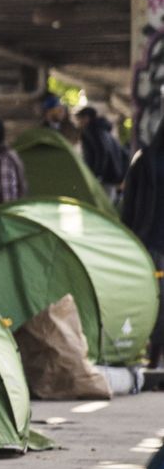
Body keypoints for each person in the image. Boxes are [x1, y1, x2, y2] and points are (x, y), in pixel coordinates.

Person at [119, 129, 164, 369]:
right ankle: (152, 359)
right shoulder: (145, 160)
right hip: (151, 240)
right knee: (156, 301)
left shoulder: (145, 158)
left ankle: (154, 360)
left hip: (151, 239)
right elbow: (130, 202)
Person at [77, 106, 128, 199]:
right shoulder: (104, 131)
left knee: (101, 206)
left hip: (103, 177)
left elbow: (101, 152)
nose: (79, 122)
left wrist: (97, 175)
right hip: (113, 176)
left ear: (87, 118)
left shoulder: (91, 130)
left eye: (80, 119)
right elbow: (123, 154)